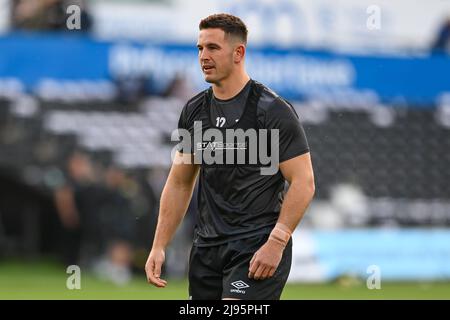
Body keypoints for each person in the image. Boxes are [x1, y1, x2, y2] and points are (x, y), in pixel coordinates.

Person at [145, 13, 315, 300]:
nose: (203, 56)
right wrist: (159, 245)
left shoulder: (271, 110)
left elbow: (304, 182)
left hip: (256, 244)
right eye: (200, 48)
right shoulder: (194, 111)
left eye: (213, 48)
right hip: (206, 248)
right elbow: (180, 183)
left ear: (239, 53)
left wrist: (277, 240)